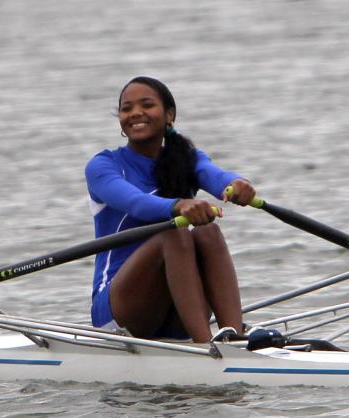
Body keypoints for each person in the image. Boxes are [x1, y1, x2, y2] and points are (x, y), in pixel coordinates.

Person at [85, 76, 255, 343]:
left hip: (175, 309)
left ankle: (233, 338)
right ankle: (205, 346)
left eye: (147, 105)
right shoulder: (103, 166)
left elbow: (214, 175)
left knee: (207, 232)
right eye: (127, 108)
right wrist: (178, 205)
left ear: (169, 115)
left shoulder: (186, 159)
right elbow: (134, 202)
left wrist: (237, 184)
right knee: (173, 233)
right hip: (119, 312)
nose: (135, 113)